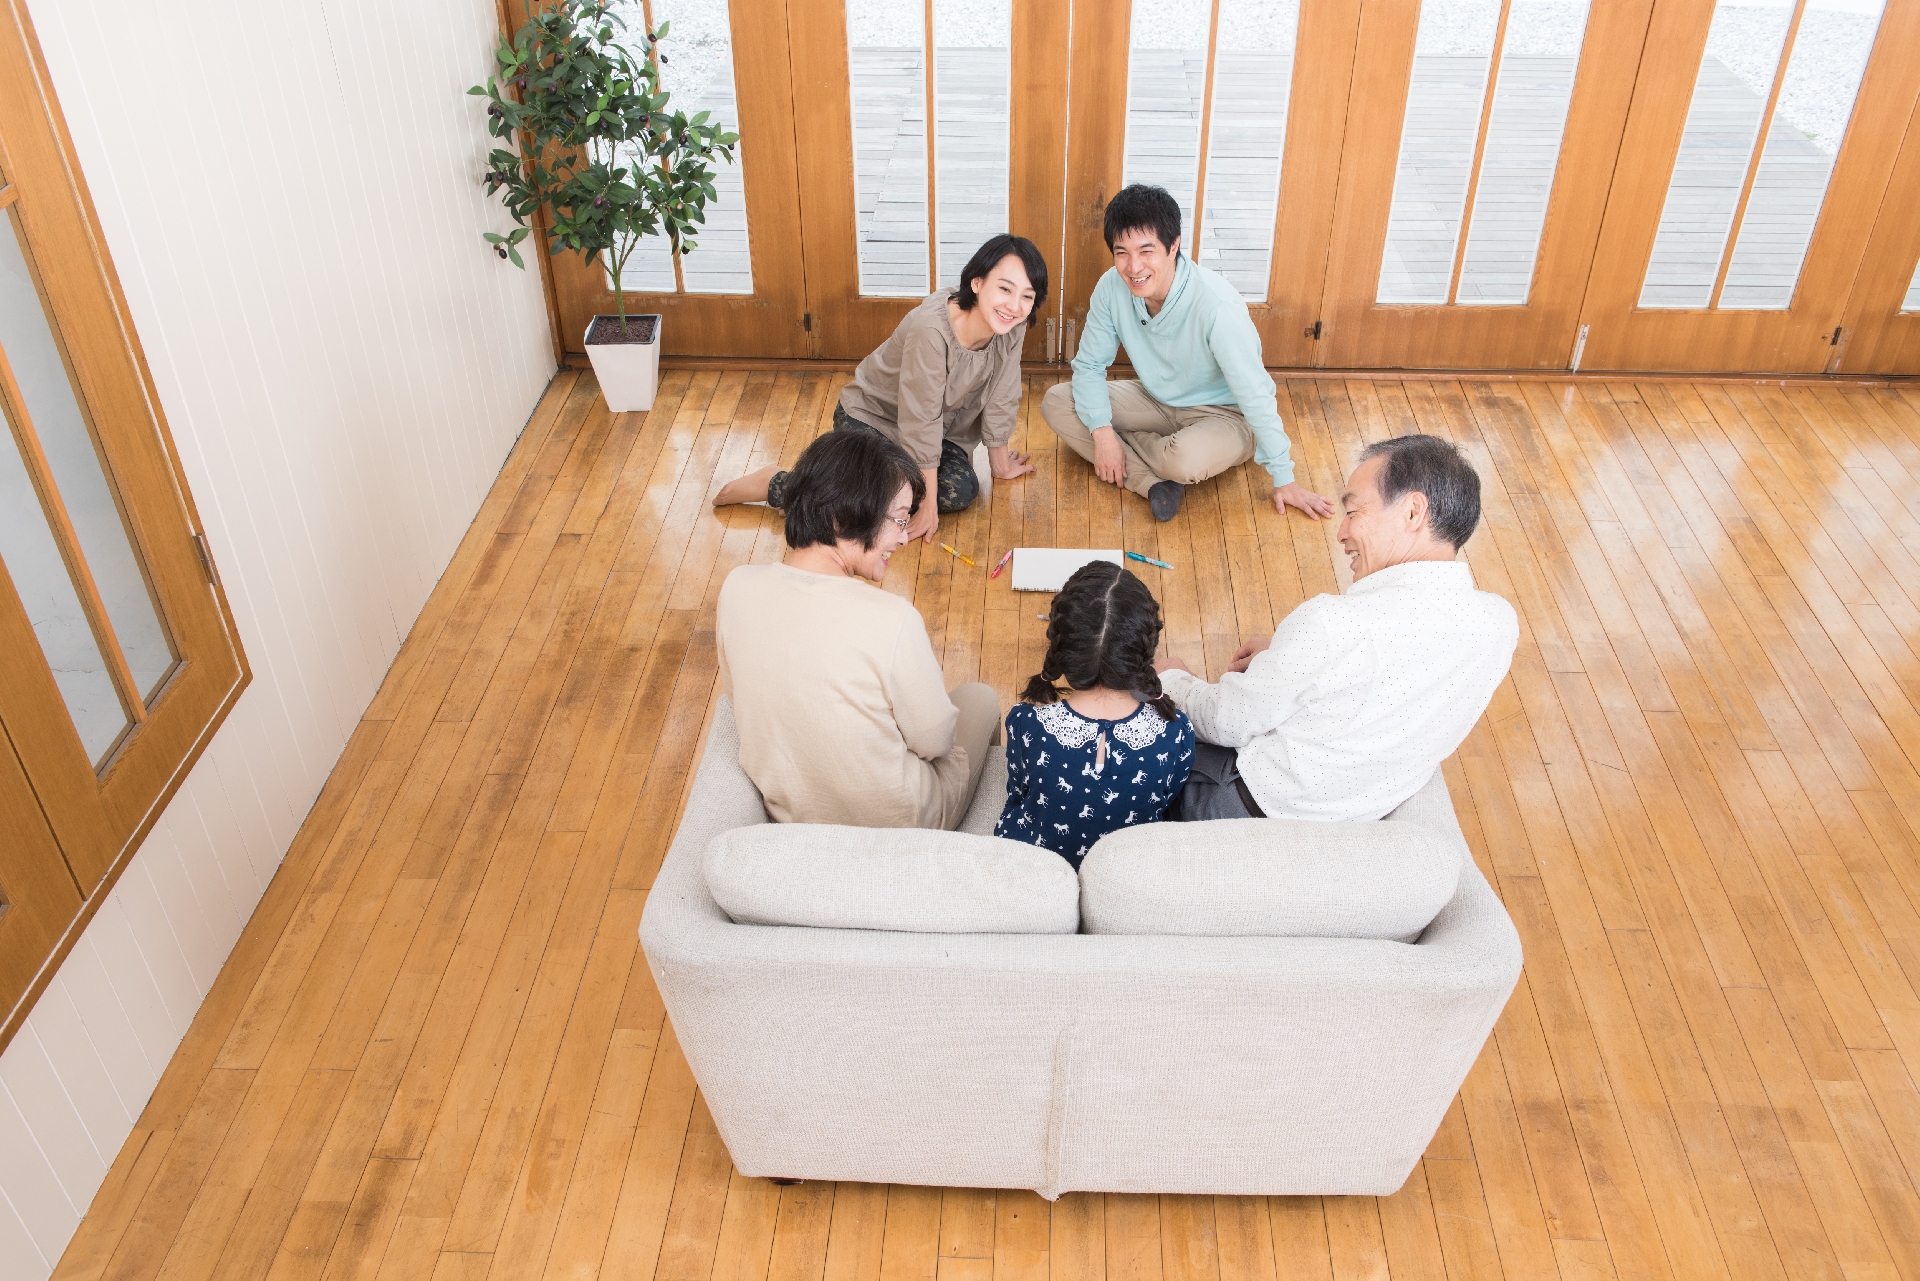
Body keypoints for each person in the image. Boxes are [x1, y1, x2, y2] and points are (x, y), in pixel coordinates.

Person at [1156, 434, 1517, 822]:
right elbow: (1389, 666)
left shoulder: (1333, 625)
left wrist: (1173, 679)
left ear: (1413, 512)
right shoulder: (1499, 623)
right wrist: (1287, 656)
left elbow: (1224, 721)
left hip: (1248, 808)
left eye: (1354, 512)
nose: (1342, 533)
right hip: (1355, 813)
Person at [716, 429, 1001, 829]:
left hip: (793, 813)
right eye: (900, 520)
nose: (904, 537)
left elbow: (737, 698)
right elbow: (936, 743)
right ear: (844, 515)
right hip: (900, 821)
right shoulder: (891, 617)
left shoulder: (737, 587)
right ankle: (967, 839)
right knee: (981, 698)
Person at [714, 233, 1047, 546]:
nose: (1014, 305)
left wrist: (1000, 465)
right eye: (1005, 289)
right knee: (921, 497)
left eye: (1027, 296)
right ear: (977, 283)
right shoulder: (931, 329)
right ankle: (783, 485)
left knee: (958, 491)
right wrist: (926, 504)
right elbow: (921, 418)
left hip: (942, 432)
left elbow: (1003, 392)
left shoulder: (1010, 324)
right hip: (874, 421)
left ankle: (845, 484)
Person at [1041, 184, 1332, 524]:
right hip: (1154, 398)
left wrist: (1285, 477)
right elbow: (1089, 365)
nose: (1134, 267)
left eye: (1146, 251)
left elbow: (1255, 393)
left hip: (1224, 414)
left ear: (1173, 245)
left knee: (1181, 461)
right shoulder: (1111, 287)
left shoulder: (1216, 307)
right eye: (1122, 252)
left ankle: (1135, 450)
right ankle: (1151, 484)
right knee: (1057, 402)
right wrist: (1103, 431)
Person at [995, 562, 1194, 867]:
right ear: (1145, 648)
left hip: (1035, 868)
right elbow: (1166, 799)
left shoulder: (1026, 722)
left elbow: (1018, 792)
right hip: (1126, 871)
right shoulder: (1176, 732)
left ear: (1061, 645)